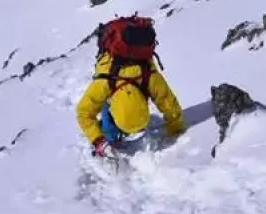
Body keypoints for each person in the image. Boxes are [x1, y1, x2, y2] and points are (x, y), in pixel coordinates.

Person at [75, 16, 184, 157]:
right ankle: (111, 135)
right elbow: (168, 102)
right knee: (104, 108)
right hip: (113, 74)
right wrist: (98, 141)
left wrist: (97, 140)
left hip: (123, 81)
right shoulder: (107, 81)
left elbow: (169, 104)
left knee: (105, 107)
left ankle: (113, 137)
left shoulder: (147, 75)